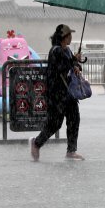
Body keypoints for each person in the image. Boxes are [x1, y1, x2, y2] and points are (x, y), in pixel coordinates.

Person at [30, 24, 85, 161]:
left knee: (74, 119)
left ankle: (71, 151)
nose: (71, 38)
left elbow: (71, 65)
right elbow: (61, 67)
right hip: (56, 93)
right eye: (69, 35)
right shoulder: (55, 51)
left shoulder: (66, 51)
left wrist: (77, 65)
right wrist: (73, 60)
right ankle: (36, 143)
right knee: (55, 123)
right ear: (64, 37)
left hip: (68, 92)